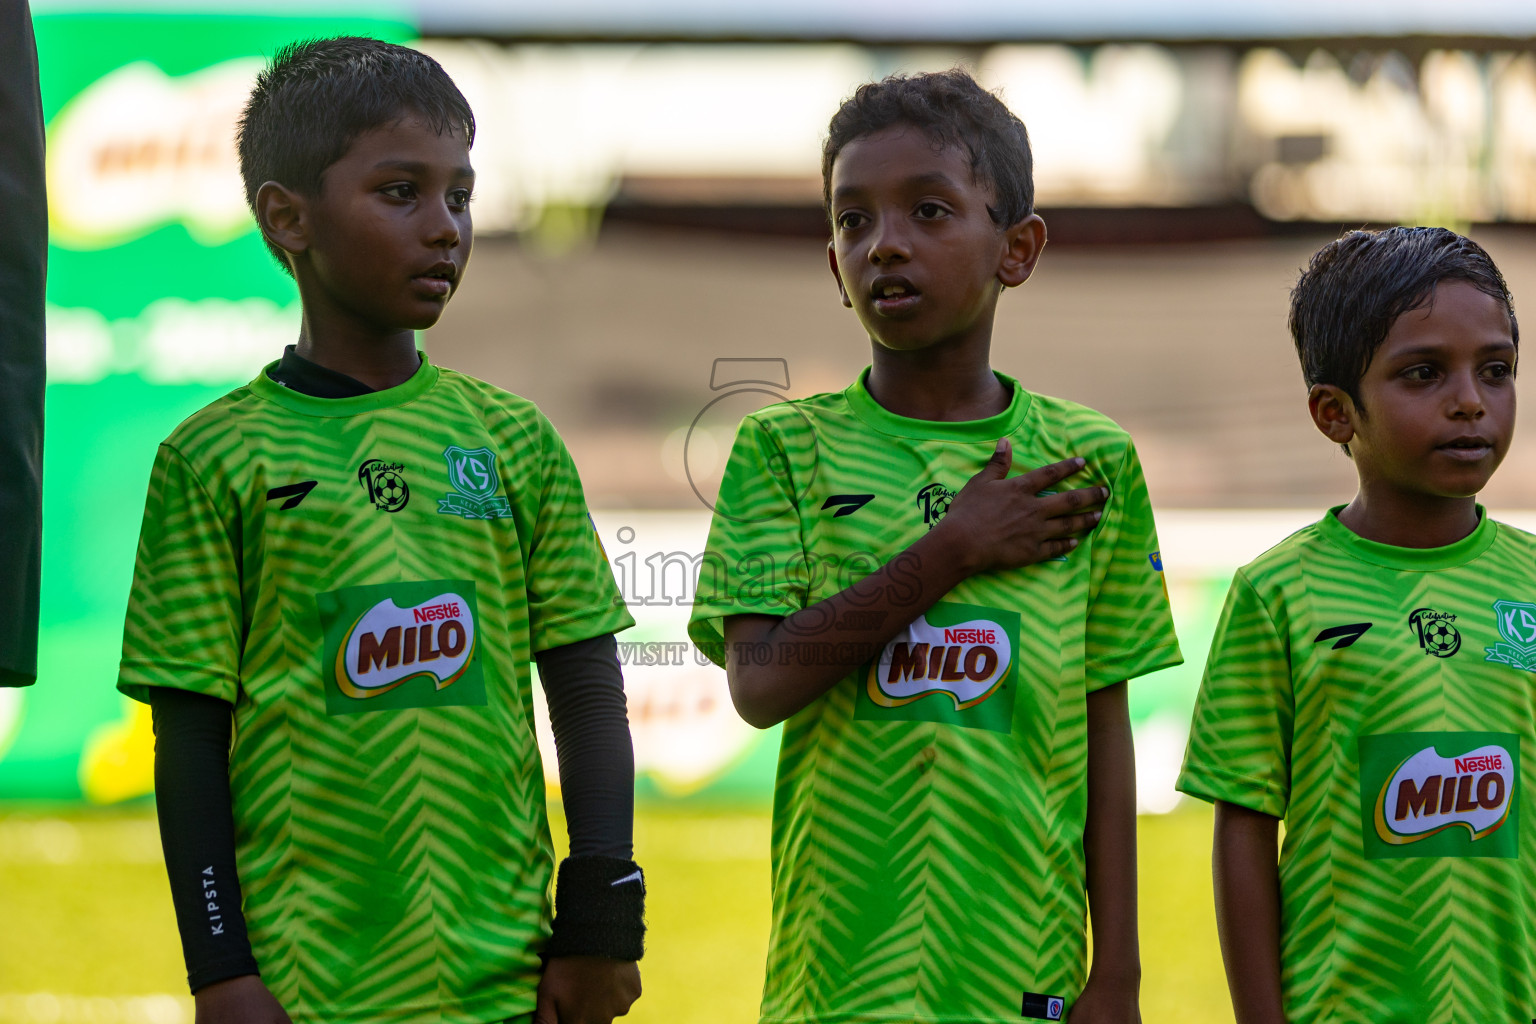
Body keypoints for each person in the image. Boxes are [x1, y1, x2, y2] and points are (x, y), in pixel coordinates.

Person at [118, 37, 643, 1024]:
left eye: (460, 195)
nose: (445, 228)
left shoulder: (513, 440)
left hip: (513, 983)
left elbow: (584, 690)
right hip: (309, 988)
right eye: (402, 192)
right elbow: (189, 737)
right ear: (289, 218)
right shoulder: (212, 457)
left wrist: (602, 920)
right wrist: (220, 971)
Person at [687, 69, 1182, 1023]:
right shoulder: (782, 447)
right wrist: (951, 550)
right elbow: (760, 685)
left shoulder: (1088, 461)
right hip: (834, 982)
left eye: (928, 210)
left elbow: (1104, 725)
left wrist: (1115, 970)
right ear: (833, 264)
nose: (886, 245)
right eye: (854, 221)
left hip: (1020, 977)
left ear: (1018, 248)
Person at [1177, 226, 1535, 1024]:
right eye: (1423, 373)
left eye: (1497, 370)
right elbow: (1243, 828)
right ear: (1335, 412)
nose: (1471, 399)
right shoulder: (1278, 593)